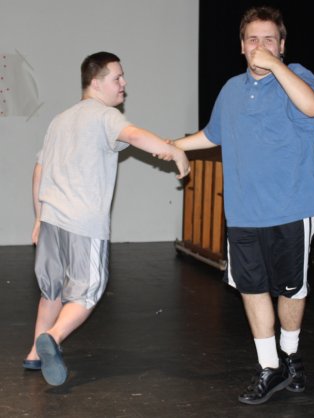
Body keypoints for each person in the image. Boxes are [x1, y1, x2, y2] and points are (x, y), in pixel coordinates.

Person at [163, 6, 314, 405]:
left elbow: (312, 107)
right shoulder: (230, 89)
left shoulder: (297, 77)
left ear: (281, 44)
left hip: (290, 208)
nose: (260, 46)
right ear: (241, 47)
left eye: (269, 39)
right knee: (252, 288)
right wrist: (173, 145)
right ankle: (269, 366)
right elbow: (213, 134)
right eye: (253, 39)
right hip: (243, 212)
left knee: (292, 290)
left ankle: (291, 357)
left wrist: (278, 67)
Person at [23, 51, 190, 386]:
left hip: (53, 219)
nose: (124, 83)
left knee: (51, 291)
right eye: (118, 77)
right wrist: (175, 153)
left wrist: (39, 218)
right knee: (88, 293)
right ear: (96, 83)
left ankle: (33, 355)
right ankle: (52, 339)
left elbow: (38, 171)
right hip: (84, 223)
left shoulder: (59, 120)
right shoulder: (104, 115)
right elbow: (134, 135)